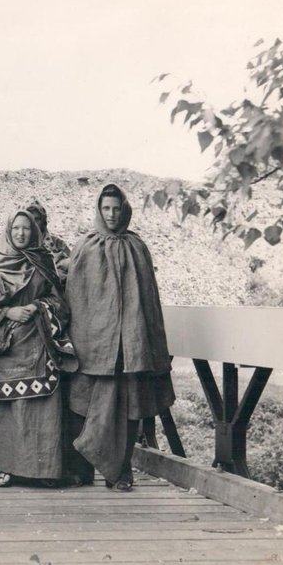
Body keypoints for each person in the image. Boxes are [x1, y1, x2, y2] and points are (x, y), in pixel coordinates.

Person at [64, 184, 175, 491]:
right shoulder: (85, 246)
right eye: (106, 209)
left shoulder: (136, 247)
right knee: (84, 404)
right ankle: (82, 469)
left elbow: (148, 302)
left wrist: (145, 343)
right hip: (92, 344)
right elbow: (75, 297)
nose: (111, 215)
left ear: (124, 210)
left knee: (129, 407)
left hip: (129, 345)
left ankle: (121, 471)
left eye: (116, 209)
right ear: (98, 211)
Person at [0, 210, 75, 487]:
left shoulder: (44, 262)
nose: (21, 234)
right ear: (9, 230)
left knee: (38, 406)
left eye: (26, 229)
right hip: (3, 348)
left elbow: (60, 303)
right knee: (3, 411)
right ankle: (2, 467)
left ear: (35, 232)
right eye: (16, 228)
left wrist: (36, 306)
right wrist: (8, 312)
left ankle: (41, 469)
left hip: (37, 342)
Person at [25, 199, 71, 286]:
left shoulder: (57, 243)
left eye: (37, 219)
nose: (33, 223)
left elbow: (73, 267)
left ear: (43, 221)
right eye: (29, 219)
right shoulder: (17, 245)